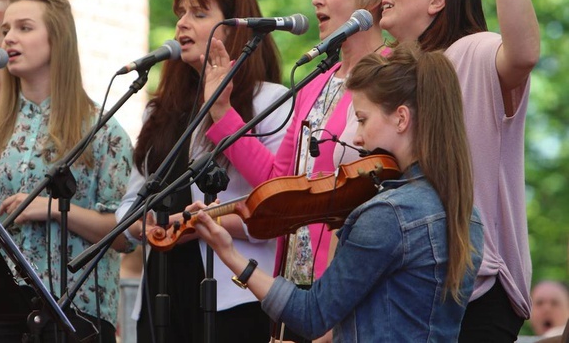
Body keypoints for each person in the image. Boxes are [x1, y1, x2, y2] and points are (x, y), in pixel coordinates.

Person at [191, 42, 485, 341]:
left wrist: (228, 253)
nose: (356, 137)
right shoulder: (465, 213)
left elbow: (311, 314)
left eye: (362, 119)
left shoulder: (387, 215)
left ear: (401, 118)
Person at [376, 0, 539, 341]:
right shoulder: (398, 77)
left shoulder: (470, 52)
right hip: (414, 288)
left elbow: (524, 53)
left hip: (477, 291)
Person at [204, 0, 395, 341]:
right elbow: (278, 180)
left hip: (349, 293)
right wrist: (223, 114)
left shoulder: (395, 72)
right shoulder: (319, 81)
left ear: (371, 0)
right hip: (293, 291)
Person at [0, 0, 133, 343]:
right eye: (5, 30)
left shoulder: (101, 131)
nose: (10, 38)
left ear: (58, 40)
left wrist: (52, 209)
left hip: (75, 315)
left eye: (24, 27)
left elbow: (125, 234)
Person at [116, 0, 289, 343]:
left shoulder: (269, 101)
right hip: (161, 290)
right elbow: (130, 202)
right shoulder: (160, 111)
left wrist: (195, 225)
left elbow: (279, 209)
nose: (182, 23)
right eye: (180, 13)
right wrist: (141, 225)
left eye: (198, 13)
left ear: (232, 30)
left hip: (234, 290)